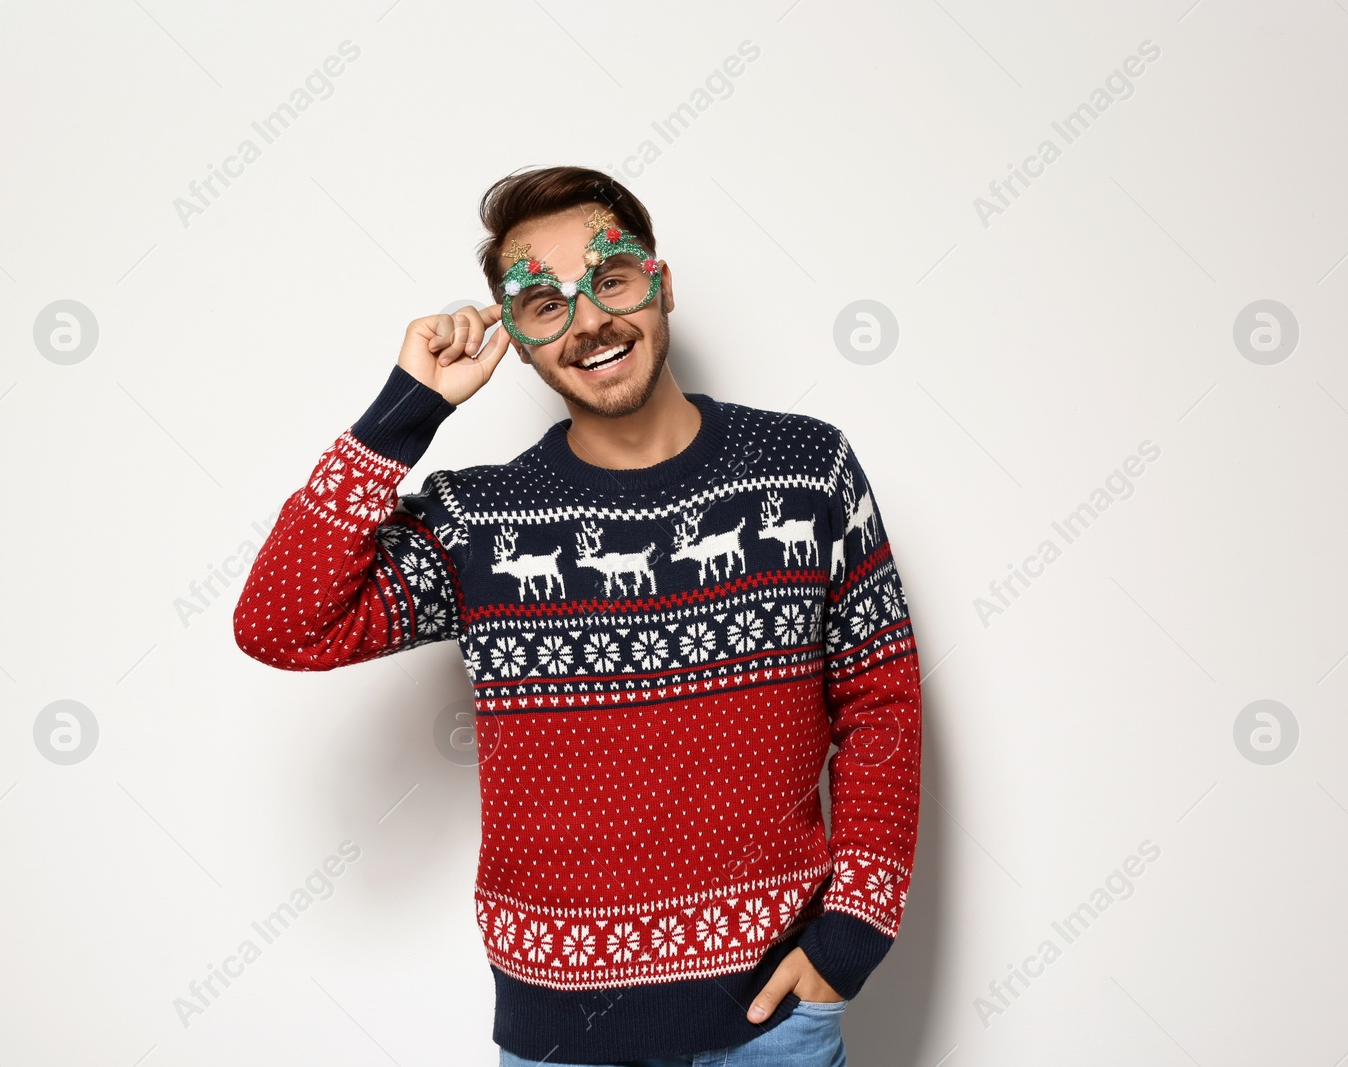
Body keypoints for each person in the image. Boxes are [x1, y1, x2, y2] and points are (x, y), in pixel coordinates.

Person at [234, 166, 923, 1066]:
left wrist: (849, 939)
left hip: (774, 1025)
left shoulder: (805, 467)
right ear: (516, 339)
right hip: (562, 1039)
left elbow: (882, 703)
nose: (589, 320)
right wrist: (407, 409)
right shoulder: (480, 522)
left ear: (660, 282)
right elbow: (282, 621)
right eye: (543, 303)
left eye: (611, 278)